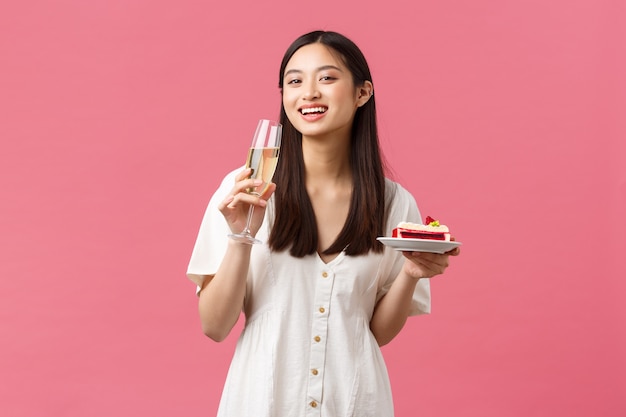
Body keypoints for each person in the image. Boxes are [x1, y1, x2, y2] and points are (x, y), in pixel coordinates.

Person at [187, 30, 460, 417]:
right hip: (262, 401)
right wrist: (241, 235)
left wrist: (412, 272)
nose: (309, 93)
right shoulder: (245, 191)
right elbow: (214, 326)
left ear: (363, 93)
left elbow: (373, 333)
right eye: (294, 81)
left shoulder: (394, 202)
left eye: (327, 78)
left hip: (355, 402)